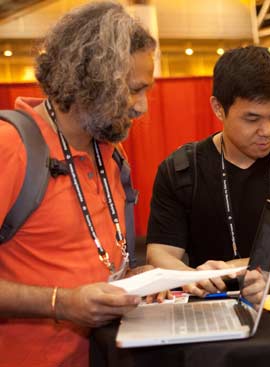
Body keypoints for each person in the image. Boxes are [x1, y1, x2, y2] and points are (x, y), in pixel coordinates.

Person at [0, 2, 158, 365]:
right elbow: (67, 291)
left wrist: (133, 279)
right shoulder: (11, 148)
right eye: (133, 90)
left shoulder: (110, 152)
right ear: (92, 82)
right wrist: (61, 303)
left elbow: (87, 262)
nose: (142, 107)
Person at [146, 46, 270, 296]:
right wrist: (195, 278)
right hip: (212, 308)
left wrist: (232, 268)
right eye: (252, 119)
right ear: (218, 108)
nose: (267, 130)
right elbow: (160, 253)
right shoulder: (181, 171)